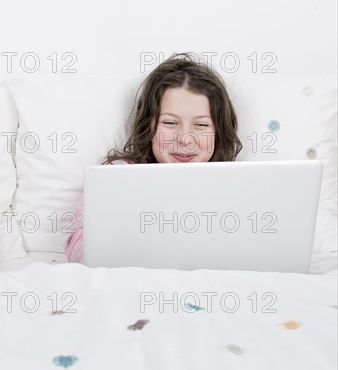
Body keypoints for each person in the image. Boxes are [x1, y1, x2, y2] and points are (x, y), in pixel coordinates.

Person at [65, 53, 243, 263]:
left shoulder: (234, 184)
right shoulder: (117, 176)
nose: (185, 139)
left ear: (218, 132)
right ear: (148, 126)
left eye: (201, 125)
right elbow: (80, 245)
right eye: (169, 123)